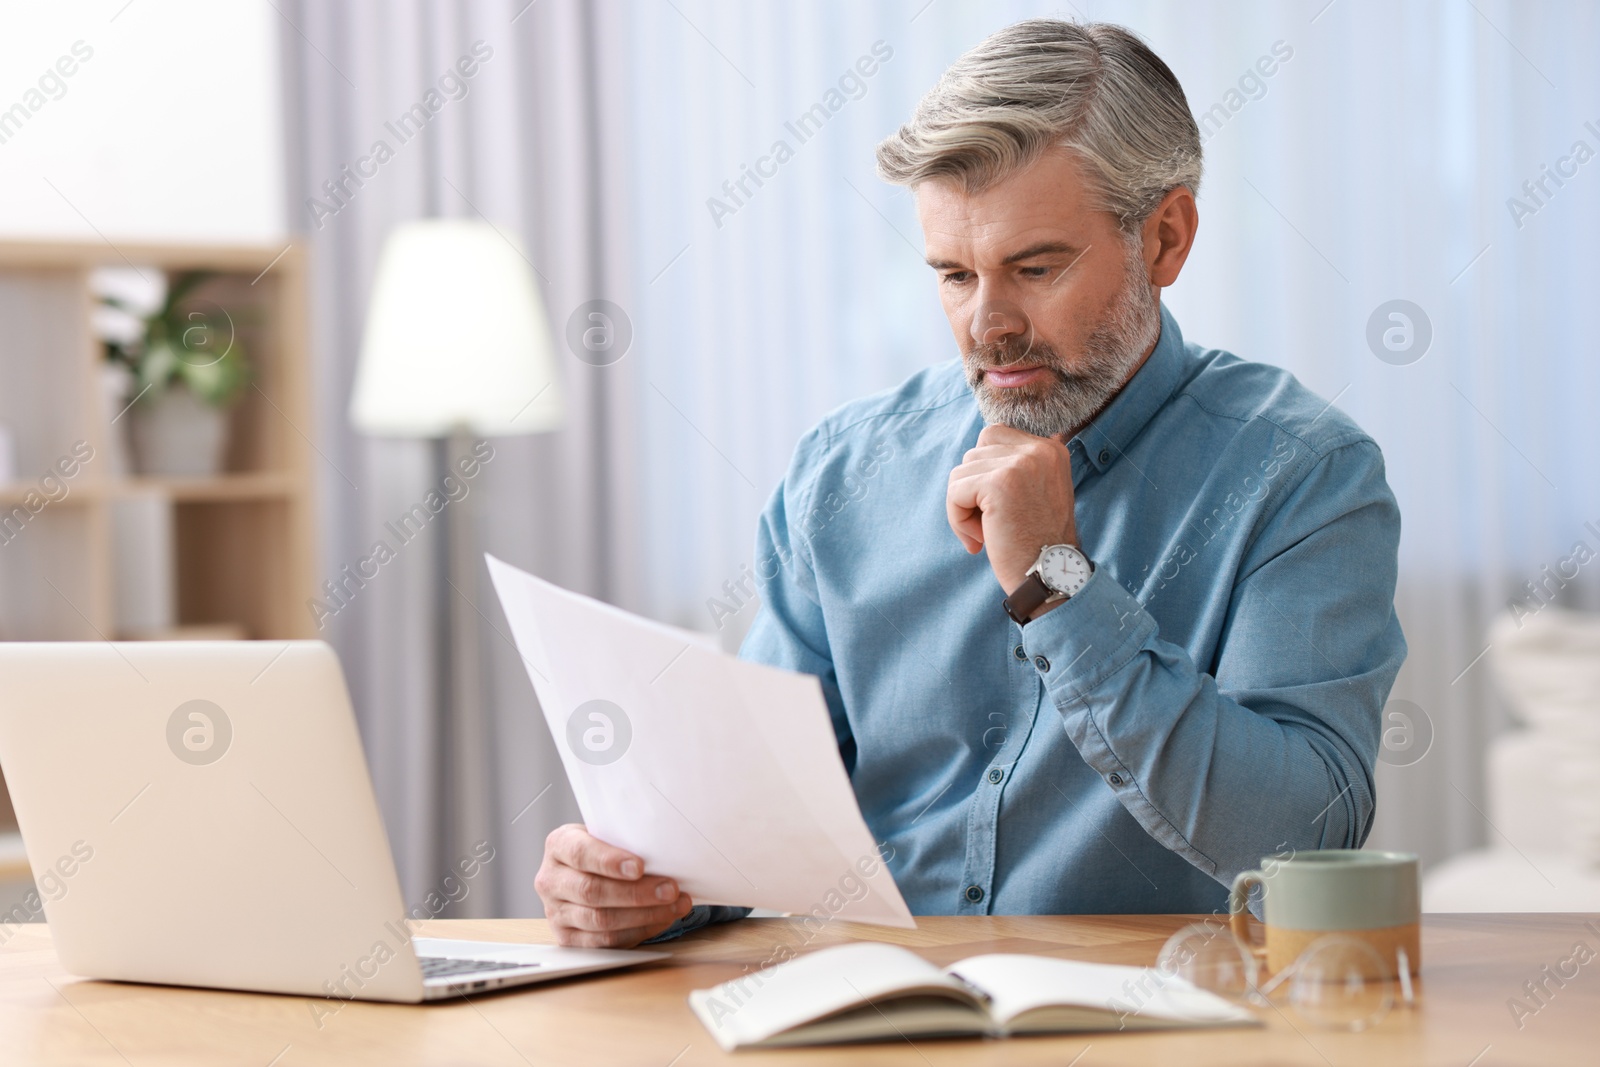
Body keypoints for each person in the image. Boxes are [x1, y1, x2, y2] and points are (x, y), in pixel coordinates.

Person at [534, 18, 1406, 948]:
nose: (987, 326)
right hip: (872, 1019)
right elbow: (757, 820)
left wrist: (1057, 579)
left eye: (1035, 268)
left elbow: (1302, 840)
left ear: (1166, 239)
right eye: (954, 274)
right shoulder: (843, 474)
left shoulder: (1303, 476)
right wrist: (648, 879)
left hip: (1157, 1027)